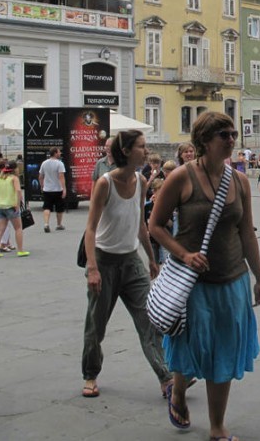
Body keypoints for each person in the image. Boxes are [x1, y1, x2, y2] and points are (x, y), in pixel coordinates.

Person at [149, 112, 260, 440]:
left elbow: (247, 233)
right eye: (223, 135)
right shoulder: (181, 178)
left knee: (223, 354)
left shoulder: (240, 180)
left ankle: (217, 427)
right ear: (204, 141)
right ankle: (179, 392)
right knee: (190, 348)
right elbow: (154, 226)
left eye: (232, 134)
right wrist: (184, 254)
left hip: (232, 280)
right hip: (193, 284)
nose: (231, 140)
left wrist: (259, 277)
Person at [81, 130, 171, 400]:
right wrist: (93, 268)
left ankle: (166, 377)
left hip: (131, 261)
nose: (146, 151)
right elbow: (90, 229)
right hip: (104, 259)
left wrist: (151, 258)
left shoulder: (142, 180)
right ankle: (90, 374)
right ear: (126, 151)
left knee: (151, 319)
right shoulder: (105, 184)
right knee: (96, 325)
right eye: (141, 147)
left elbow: (140, 224)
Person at [0, 160, 29, 258]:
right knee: (18, 228)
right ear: (15, 169)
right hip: (10, 206)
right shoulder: (14, 178)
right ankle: (20, 250)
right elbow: (18, 190)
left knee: (0, 230)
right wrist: (17, 203)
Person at [38, 146, 66, 232]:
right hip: (57, 189)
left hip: (47, 189)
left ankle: (46, 224)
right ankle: (59, 224)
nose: (60, 153)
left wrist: (42, 186)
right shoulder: (60, 163)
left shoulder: (44, 163)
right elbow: (61, 176)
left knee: (47, 207)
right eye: (59, 152)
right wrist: (64, 188)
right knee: (59, 208)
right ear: (55, 153)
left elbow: (40, 176)